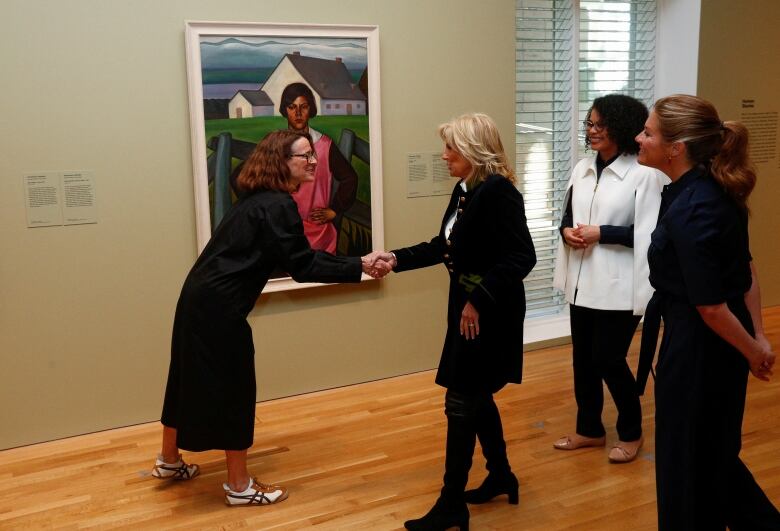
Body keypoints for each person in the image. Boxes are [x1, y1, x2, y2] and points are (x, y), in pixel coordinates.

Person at [152, 130, 388, 506]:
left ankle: (169, 460)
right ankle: (239, 486)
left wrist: (354, 262)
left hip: (198, 298)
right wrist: (359, 264)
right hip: (220, 307)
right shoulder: (278, 205)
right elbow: (304, 265)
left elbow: (294, 257)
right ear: (282, 162)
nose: (312, 161)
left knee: (184, 376)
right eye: (303, 156)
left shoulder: (259, 201)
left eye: (313, 154)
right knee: (235, 389)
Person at [368, 113, 536, 530]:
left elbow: (522, 257)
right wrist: (395, 258)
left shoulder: (497, 193)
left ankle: (451, 503)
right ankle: (500, 475)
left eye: (451, 148)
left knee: (461, 401)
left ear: (474, 151)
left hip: (487, 314)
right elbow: (444, 246)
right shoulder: (466, 191)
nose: (444, 156)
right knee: (475, 396)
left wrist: (477, 298)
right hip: (468, 310)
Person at [635, 94, 780, 529]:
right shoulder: (710, 189)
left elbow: (712, 306)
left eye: (648, 132)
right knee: (714, 455)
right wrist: (756, 336)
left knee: (685, 460)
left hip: (700, 347)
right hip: (717, 343)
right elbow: (746, 270)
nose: (639, 139)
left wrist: (755, 350)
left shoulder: (693, 208)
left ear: (676, 148)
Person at [551, 94, 666, 462]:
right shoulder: (583, 168)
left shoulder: (645, 175)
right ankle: (589, 429)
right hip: (582, 282)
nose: (593, 130)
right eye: (589, 123)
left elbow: (653, 237)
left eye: (601, 124)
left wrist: (604, 233)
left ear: (621, 127)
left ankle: (631, 431)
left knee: (608, 360)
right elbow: (567, 215)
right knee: (582, 361)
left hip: (620, 287)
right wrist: (566, 232)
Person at [280, 82, 358, 254]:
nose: (298, 113)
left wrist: (335, 210)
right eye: (292, 107)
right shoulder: (276, 145)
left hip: (319, 233)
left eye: (304, 107)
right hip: (284, 233)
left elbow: (350, 178)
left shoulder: (325, 145)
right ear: (284, 110)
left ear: (311, 109)